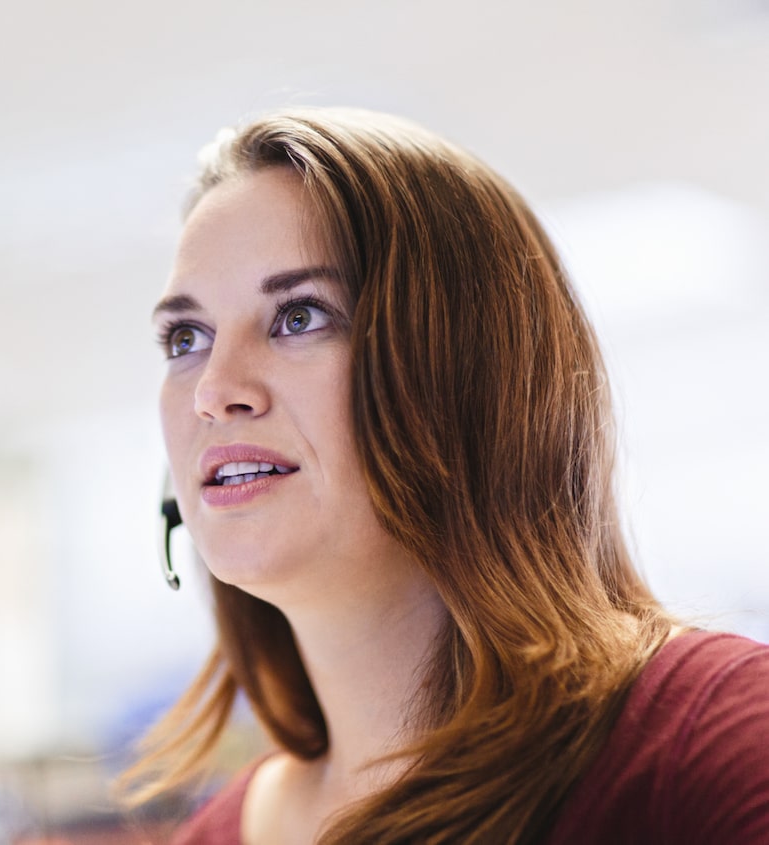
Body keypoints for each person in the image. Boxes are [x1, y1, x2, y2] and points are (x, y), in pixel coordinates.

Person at [123, 107, 769, 844]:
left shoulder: (714, 744)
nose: (213, 389)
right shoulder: (217, 833)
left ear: (470, 379)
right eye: (187, 337)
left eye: (299, 316)